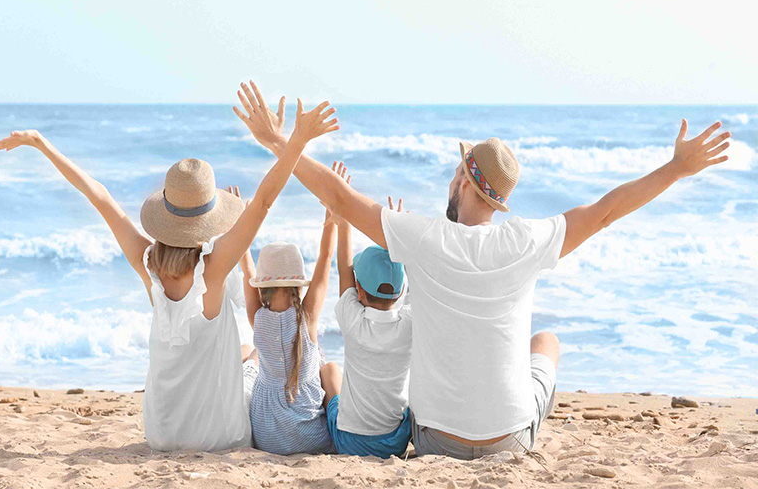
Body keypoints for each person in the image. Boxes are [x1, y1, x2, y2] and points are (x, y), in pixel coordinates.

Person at [233, 80, 731, 459]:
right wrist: (677, 169)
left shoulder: (423, 237)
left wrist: (280, 141)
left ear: (466, 184)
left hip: (433, 442)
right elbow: (603, 211)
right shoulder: (528, 240)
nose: (451, 180)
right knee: (547, 344)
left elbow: (340, 197)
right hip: (510, 441)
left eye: (456, 173)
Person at [0, 96, 338, 451]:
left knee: (250, 351)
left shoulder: (148, 265)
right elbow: (263, 201)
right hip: (219, 436)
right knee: (254, 357)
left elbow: (100, 197)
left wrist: (40, 143)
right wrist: (296, 141)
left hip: (161, 433)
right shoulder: (212, 268)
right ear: (208, 221)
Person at [324, 168, 414, 459]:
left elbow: (343, 268)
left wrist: (343, 219)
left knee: (329, 372)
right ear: (401, 292)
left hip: (349, 442)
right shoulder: (411, 323)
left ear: (358, 291)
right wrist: (400, 237)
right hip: (396, 443)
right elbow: (419, 276)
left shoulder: (353, 321)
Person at [245, 230, 338, 455]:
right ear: (299, 286)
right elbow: (325, 257)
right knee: (329, 368)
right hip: (312, 438)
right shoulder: (307, 317)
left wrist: (243, 234)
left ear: (260, 287)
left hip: (267, 438)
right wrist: (332, 219)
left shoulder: (257, 317)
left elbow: (246, 270)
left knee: (252, 354)